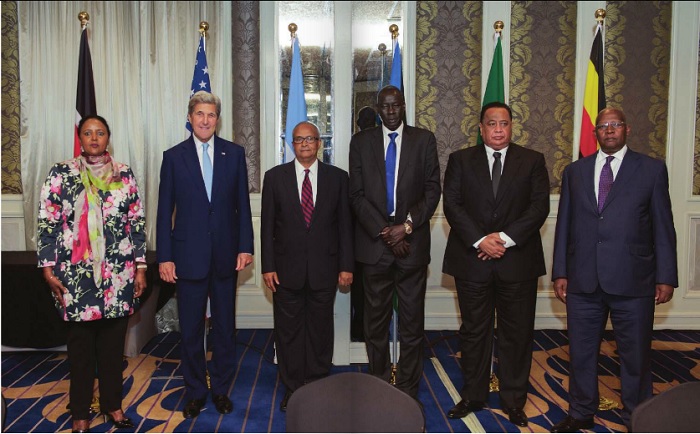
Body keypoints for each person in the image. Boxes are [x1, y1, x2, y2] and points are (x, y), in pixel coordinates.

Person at [550, 108, 677, 432]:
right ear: (596, 133)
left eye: (615, 125)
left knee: (636, 357)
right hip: (583, 280)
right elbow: (565, 224)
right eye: (603, 126)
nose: (609, 130)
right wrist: (561, 271)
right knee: (581, 353)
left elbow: (663, 227)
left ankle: (638, 415)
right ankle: (580, 411)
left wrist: (666, 276)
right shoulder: (575, 172)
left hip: (634, 280)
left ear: (627, 129)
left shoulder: (651, 170)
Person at [442, 101, 550, 427]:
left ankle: (513, 399)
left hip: (517, 262)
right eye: (492, 123)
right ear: (481, 127)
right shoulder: (460, 160)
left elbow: (538, 207)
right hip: (472, 260)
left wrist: (502, 238)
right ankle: (473, 395)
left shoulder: (532, 161)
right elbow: (453, 205)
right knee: (475, 332)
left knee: (516, 334)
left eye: (504, 123)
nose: (499, 129)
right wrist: (481, 240)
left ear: (512, 126)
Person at [38, 114, 145, 433]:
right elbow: (47, 222)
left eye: (100, 133)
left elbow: (136, 223)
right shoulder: (61, 173)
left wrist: (140, 267)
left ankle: (114, 406)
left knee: (113, 351)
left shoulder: (123, 173)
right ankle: (80, 414)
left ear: (108, 137)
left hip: (118, 275)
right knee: (81, 353)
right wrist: (46, 265)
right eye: (88, 133)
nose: (94, 138)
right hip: (75, 278)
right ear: (80, 138)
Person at [156, 91, 254, 419]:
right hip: (187, 258)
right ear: (190, 116)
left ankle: (222, 389)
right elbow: (163, 211)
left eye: (211, 115)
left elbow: (242, 205)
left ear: (217, 119)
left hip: (226, 256)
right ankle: (196, 390)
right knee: (192, 330)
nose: (205, 120)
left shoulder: (234, 154)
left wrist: (245, 247)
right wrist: (166, 257)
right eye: (199, 114)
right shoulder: (173, 157)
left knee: (225, 328)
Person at [349, 85, 441, 401]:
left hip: (412, 246)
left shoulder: (424, 140)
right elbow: (356, 195)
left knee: (411, 325)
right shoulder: (360, 143)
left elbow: (432, 190)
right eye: (385, 106)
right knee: (374, 325)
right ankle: (377, 384)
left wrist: (407, 226)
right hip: (376, 246)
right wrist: (387, 232)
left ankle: (407, 388)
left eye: (396, 105)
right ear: (378, 108)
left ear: (403, 106)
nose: (390, 111)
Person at [261, 121, 354, 411]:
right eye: (299, 139)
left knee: (319, 331)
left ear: (319, 143)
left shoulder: (338, 178)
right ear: (292, 144)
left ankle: (315, 384)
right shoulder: (274, 177)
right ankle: (292, 388)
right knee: (287, 333)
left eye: (310, 139)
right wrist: (268, 266)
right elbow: (266, 228)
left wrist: (346, 265)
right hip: (285, 271)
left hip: (324, 270)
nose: (304, 144)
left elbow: (345, 227)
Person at [350, 106, 378, 342]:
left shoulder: (363, 142)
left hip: (367, 230)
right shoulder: (358, 143)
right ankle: (362, 332)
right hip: (362, 231)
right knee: (364, 292)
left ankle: (359, 332)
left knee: (363, 292)